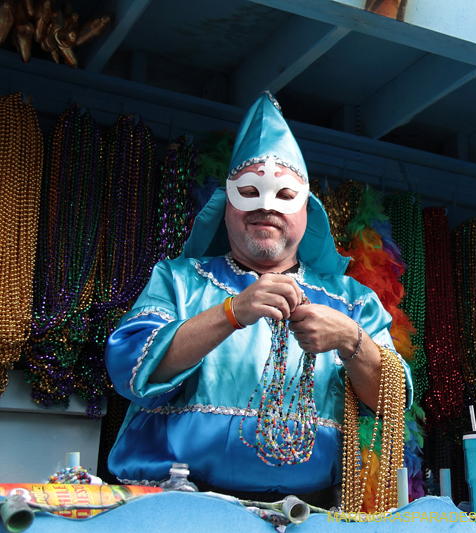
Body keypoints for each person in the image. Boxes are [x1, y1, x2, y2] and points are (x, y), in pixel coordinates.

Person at [104, 92, 412, 507]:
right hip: (178, 510)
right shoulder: (177, 279)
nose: (266, 207)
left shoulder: (352, 299)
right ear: (226, 205)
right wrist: (231, 312)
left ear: (308, 210)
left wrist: (351, 339)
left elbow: (393, 400)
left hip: (314, 512)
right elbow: (128, 366)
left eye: (284, 196)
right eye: (249, 191)